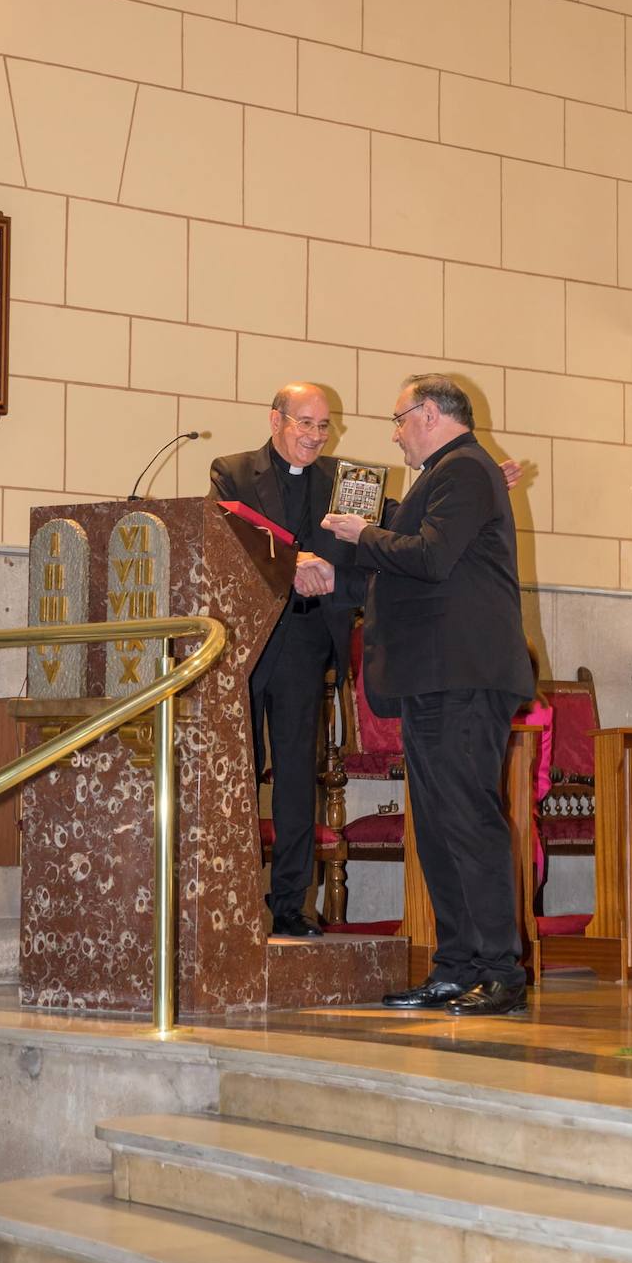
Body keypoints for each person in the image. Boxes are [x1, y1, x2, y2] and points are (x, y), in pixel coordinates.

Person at [320, 374, 535, 1016]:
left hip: (462, 676)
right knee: (440, 829)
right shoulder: (450, 473)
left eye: (398, 418)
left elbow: (434, 558)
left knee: (468, 821)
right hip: (436, 677)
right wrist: (333, 573)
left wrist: (363, 535)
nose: (393, 433)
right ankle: (455, 966)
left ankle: (501, 971)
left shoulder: (464, 469)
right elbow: (411, 572)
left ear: (431, 414)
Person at [208, 383, 356, 938]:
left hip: (305, 640)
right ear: (276, 420)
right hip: (246, 641)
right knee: (237, 772)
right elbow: (226, 539)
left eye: (324, 426)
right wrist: (292, 560)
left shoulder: (345, 482)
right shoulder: (234, 470)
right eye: (306, 423)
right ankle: (234, 897)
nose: (316, 436)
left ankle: (291, 903)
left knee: (297, 778)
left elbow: (391, 521)